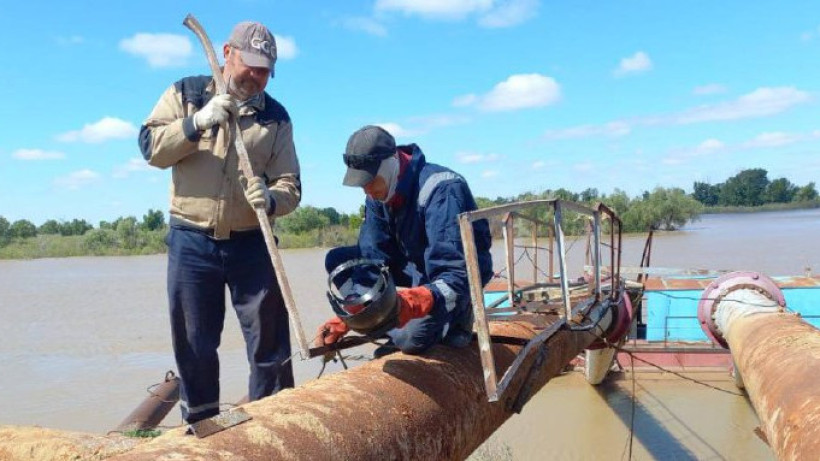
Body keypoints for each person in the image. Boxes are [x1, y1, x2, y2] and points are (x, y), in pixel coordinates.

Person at [138, 21, 301, 424]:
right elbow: (151, 148)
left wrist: (273, 198)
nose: (258, 77)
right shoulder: (186, 94)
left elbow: (291, 185)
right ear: (228, 53)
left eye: (266, 70)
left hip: (252, 242)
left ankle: (274, 424)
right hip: (191, 242)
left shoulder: (276, 117)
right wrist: (198, 123)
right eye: (252, 66)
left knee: (270, 343)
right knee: (195, 344)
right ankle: (203, 428)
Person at [317, 125, 493, 356]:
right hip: (415, 266)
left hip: (455, 278)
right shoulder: (378, 195)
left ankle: (458, 317)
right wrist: (354, 315)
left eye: (370, 180)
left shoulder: (442, 189)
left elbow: (455, 272)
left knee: (411, 339)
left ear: (392, 161)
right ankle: (387, 325)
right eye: (362, 184)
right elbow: (373, 259)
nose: (367, 190)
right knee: (339, 261)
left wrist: (414, 301)